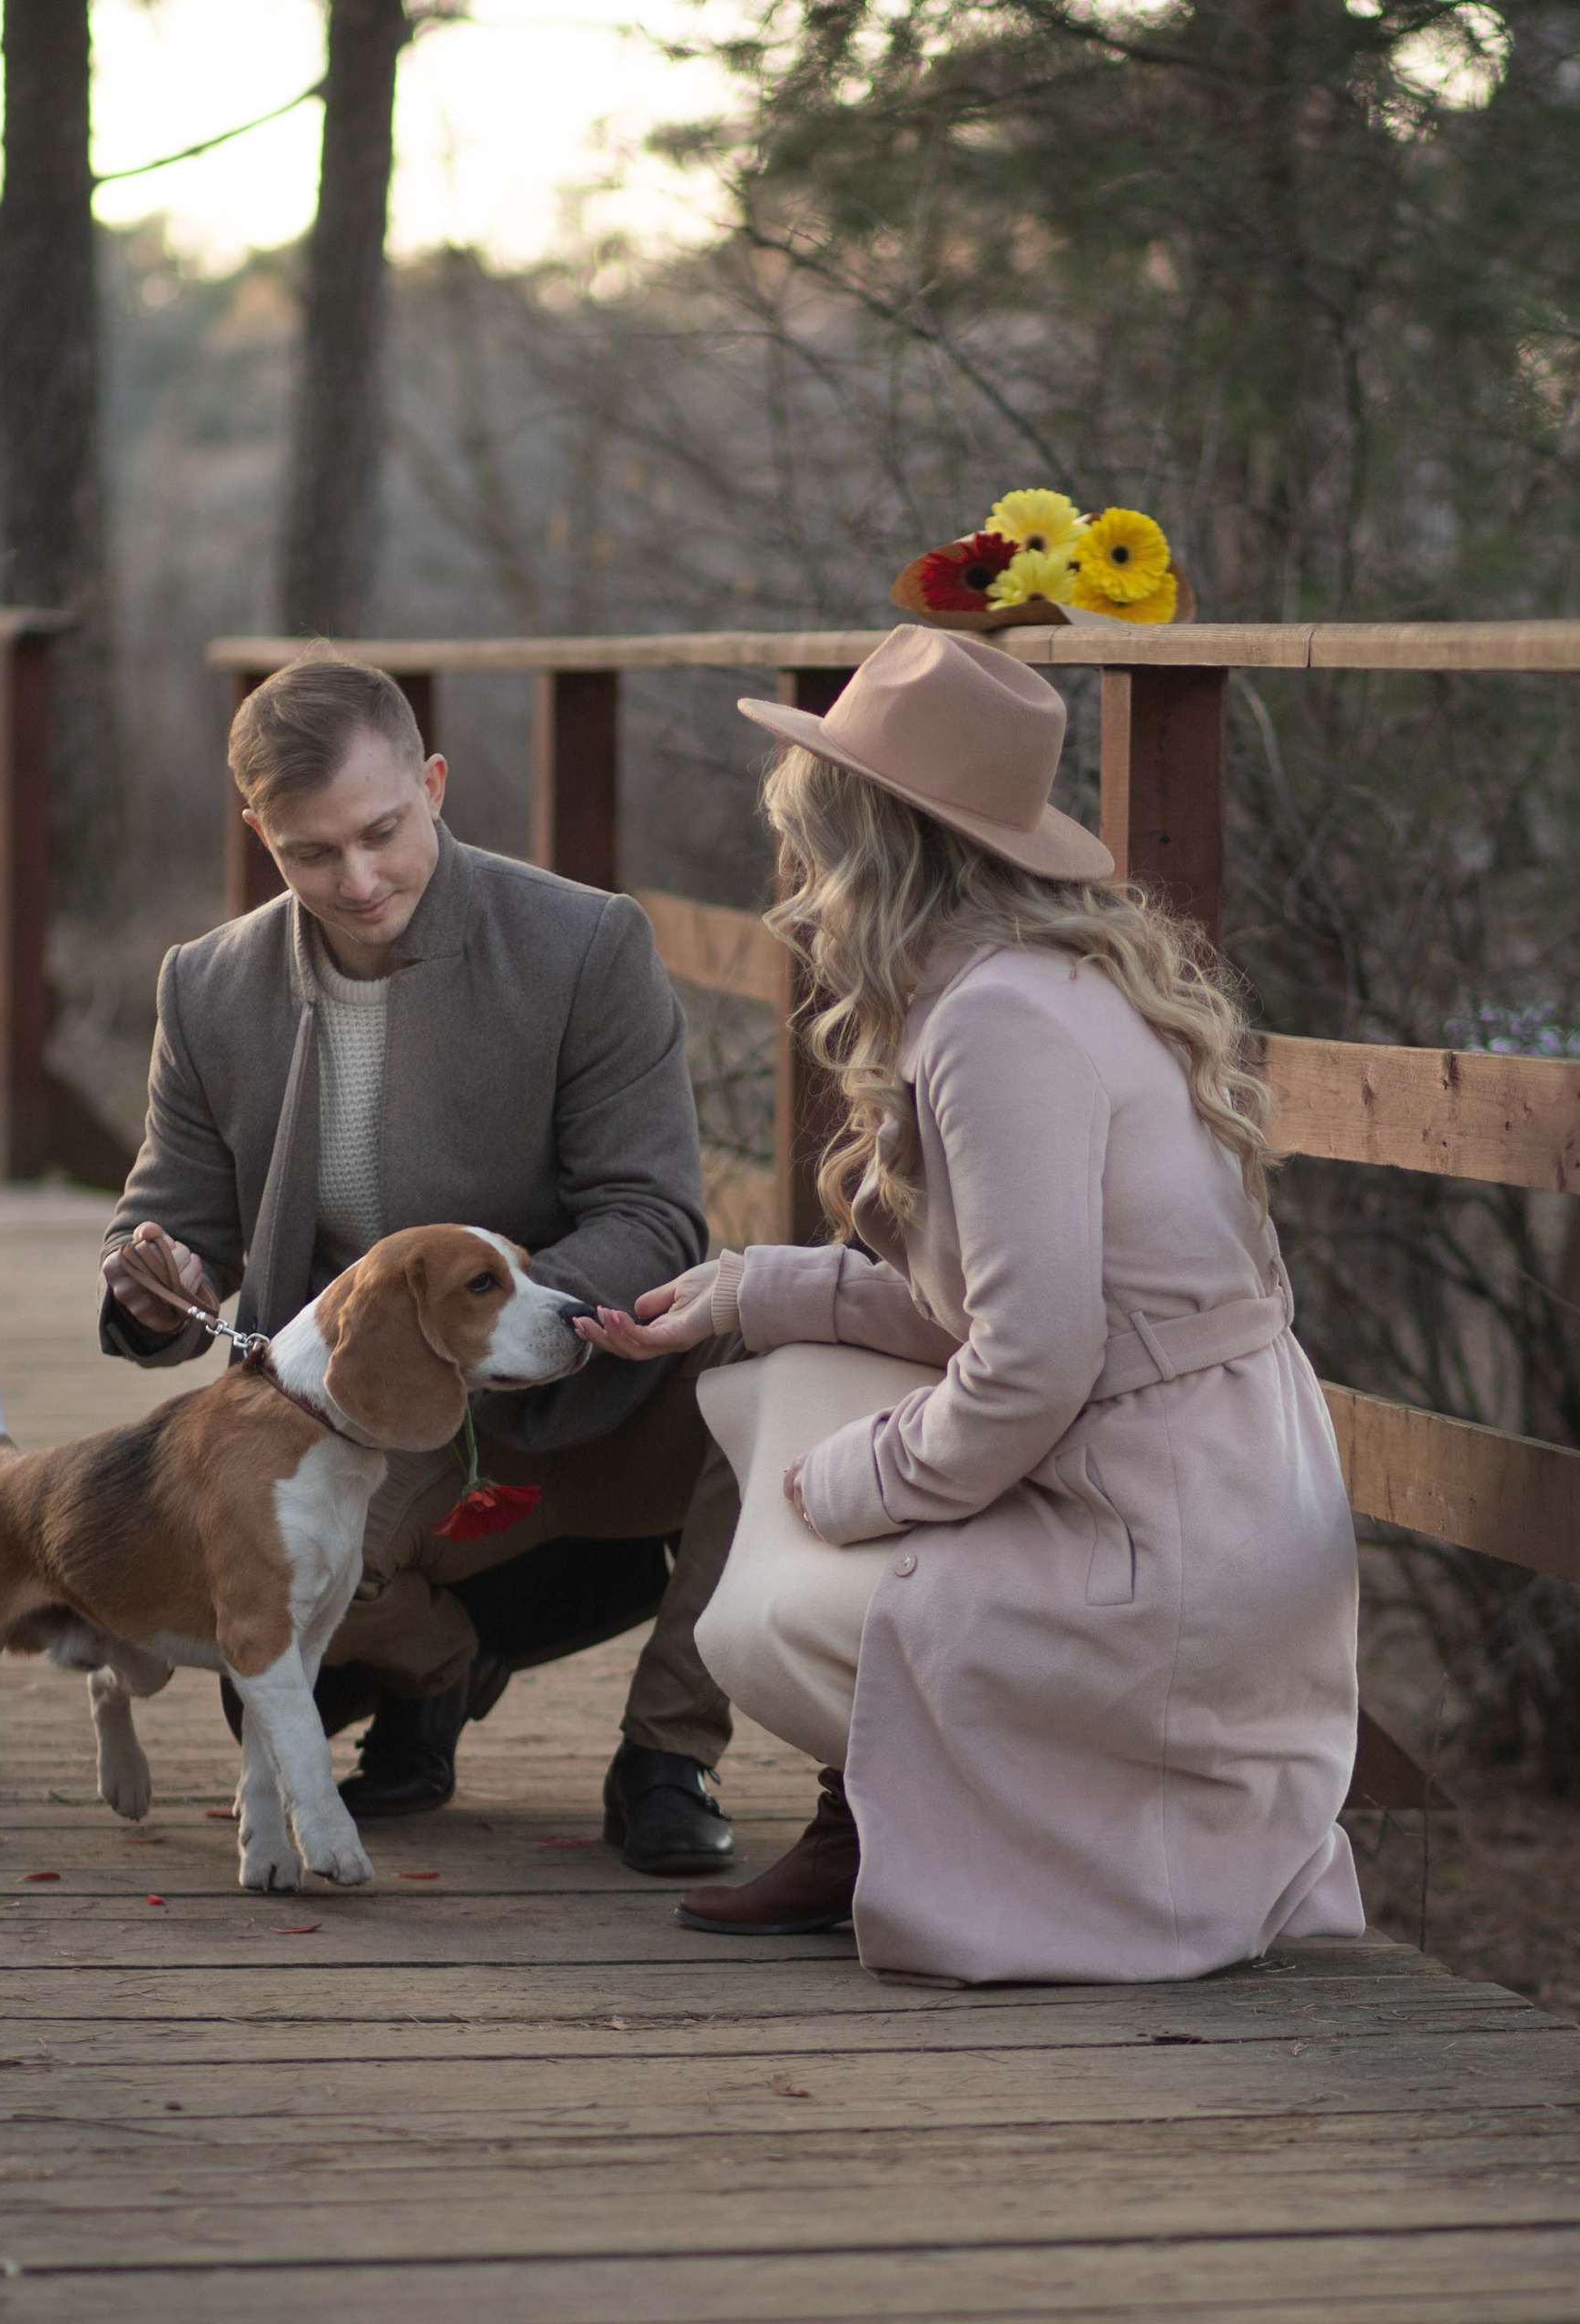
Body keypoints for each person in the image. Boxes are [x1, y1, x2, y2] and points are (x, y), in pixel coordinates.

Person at [578, 624, 1365, 1983]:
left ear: (876, 842)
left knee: (757, 1621)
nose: (801, 873)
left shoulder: (996, 1023)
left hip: (1168, 1541)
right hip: (1206, 1474)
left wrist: (853, 1488)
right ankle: (871, 1820)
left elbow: (1031, 1361)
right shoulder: (1048, 975)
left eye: (815, 834)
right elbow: (995, 1310)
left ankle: (923, 1833)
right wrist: (744, 1290)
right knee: (768, 1370)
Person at [97, 652, 741, 1876]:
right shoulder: (207, 984)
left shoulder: (587, 944)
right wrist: (149, 1281)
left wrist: (493, 1331)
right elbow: (172, 1229)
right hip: (364, 1417)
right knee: (261, 1688)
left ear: (435, 783)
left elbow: (655, 1216)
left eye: (382, 832)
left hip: (581, 1386)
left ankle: (671, 1748)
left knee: (772, 1346)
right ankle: (441, 1665)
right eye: (310, 853)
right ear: (259, 834)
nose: (359, 878)